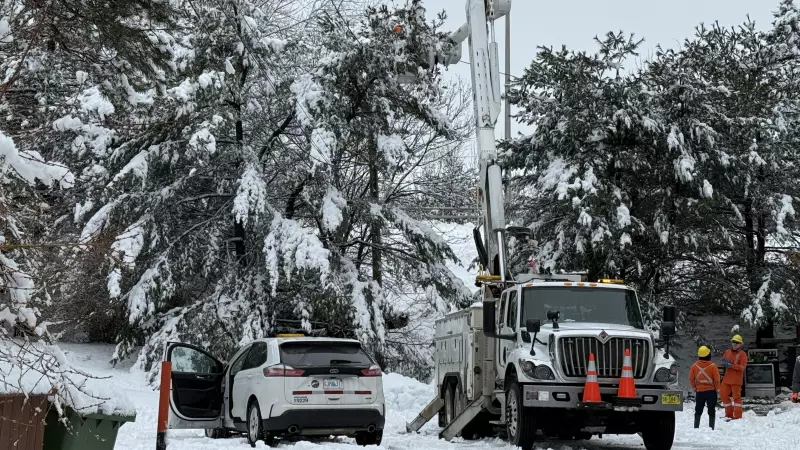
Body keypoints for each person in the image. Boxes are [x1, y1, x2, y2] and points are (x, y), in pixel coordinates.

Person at [689, 345, 721, 429]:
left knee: (698, 410)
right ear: (708, 355)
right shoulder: (713, 366)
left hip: (700, 392)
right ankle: (711, 427)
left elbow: (691, 378)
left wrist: (694, 387)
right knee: (711, 410)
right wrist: (718, 389)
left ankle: (696, 426)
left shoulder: (694, 366)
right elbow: (717, 379)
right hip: (711, 392)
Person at [720, 335, 747, 420]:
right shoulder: (727, 352)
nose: (735, 344)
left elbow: (742, 367)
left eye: (737, 343)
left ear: (740, 344)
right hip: (727, 379)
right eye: (734, 342)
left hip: (736, 380)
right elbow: (723, 360)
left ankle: (738, 416)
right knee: (723, 395)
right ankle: (729, 414)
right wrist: (723, 362)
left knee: (736, 399)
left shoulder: (742, 354)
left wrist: (731, 366)